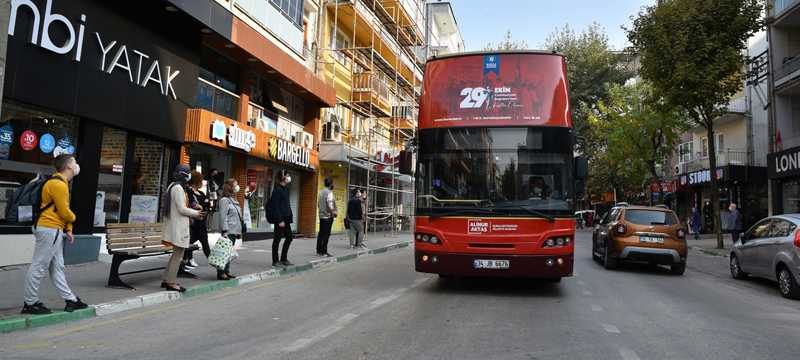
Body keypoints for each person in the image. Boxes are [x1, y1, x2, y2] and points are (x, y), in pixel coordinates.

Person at [22, 154, 88, 314]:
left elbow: (61, 210)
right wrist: (73, 218)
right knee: (39, 265)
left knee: (57, 267)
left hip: (53, 229)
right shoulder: (58, 185)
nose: (76, 165)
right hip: (49, 228)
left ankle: (70, 299)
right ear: (68, 167)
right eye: (74, 162)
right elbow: (65, 212)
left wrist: (69, 229)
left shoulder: (61, 183)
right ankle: (30, 303)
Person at [162, 164, 204, 292]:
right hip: (179, 226)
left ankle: (166, 279)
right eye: (188, 173)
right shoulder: (178, 188)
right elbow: (181, 209)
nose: (189, 176)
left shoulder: (171, 186)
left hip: (173, 225)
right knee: (178, 255)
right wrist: (196, 214)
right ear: (184, 175)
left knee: (176, 254)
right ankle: (171, 282)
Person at [183, 171, 211, 269]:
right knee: (189, 242)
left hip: (201, 223)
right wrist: (199, 206)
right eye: (200, 180)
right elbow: (191, 204)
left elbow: (207, 205)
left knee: (205, 244)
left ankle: (216, 265)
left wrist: (204, 208)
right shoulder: (189, 192)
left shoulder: (202, 193)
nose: (202, 182)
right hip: (193, 223)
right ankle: (187, 260)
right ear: (196, 181)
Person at [217, 178, 243, 280]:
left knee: (228, 253)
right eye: (235, 185)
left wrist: (239, 231)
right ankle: (221, 272)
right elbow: (223, 217)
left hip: (234, 230)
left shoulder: (233, 200)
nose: (237, 187)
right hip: (228, 231)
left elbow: (237, 216)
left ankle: (226, 271)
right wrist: (224, 231)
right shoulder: (224, 200)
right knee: (224, 252)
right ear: (230, 187)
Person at [268, 170, 294, 267]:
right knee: (277, 239)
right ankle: (275, 261)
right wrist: (279, 220)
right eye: (287, 175)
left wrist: (289, 216)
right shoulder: (277, 190)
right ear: (283, 177)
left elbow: (286, 204)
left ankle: (283, 258)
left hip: (286, 219)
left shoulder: (286, 189)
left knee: (289, 237)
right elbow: (275, 207)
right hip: (280, 219)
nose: (289, 177)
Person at [316, 177, 337, 257]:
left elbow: (318, 204)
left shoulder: (321, 192)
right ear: (331, 184)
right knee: (326, 234)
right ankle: (324, 251)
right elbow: (330, 205)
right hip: (328, 217)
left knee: (321, 233)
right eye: (332, 183)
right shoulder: (329, 193)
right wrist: (333, 213)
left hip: (321, 216)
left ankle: (318, 250)